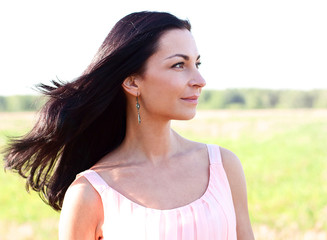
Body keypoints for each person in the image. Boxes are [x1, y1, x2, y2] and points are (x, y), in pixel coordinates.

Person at [3, 11, 254, 240]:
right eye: (179, 65)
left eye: (196, 64)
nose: (200, 80)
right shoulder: (90, 193)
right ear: (133, 83)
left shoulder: (222, 166)